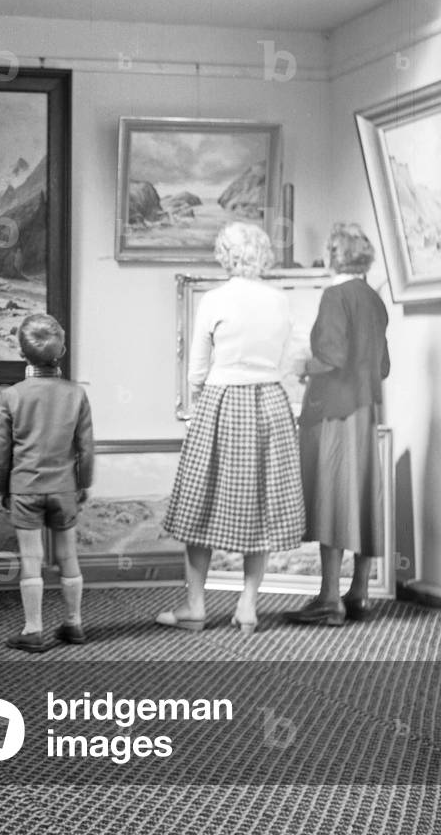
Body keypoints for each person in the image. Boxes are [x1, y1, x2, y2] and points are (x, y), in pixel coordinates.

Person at [159, 221, 304, 635]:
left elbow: (197, 369)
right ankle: (247, 606)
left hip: (222, 401)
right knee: (261, 507)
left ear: (226, 255)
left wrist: (200, 402)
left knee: (200, 505)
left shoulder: (215, 299)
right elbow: (286, 358)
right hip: (270, 402)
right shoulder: (279, 299)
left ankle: (196, 606)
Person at [285, 223, 390, 627]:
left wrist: (301, 366)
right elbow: (383, 365)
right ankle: (359, 593)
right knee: (361, 497)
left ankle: (329, 598)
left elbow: (331, 358)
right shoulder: (373, 299)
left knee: (331, 498)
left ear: (333, 254)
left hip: (334, 411)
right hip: (366, 410)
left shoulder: (334, 296)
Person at [0, 314, 94, 652]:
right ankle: (74, 623)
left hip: (25, 488)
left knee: (31, 558)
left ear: (22, 353)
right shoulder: (76, 394)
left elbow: (3, 451)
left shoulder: (12, 395)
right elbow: (86, 448)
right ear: (61, 351)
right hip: (64, 487)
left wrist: (0, 487)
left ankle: (33, 629)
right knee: (68, 555)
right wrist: (83, 483)